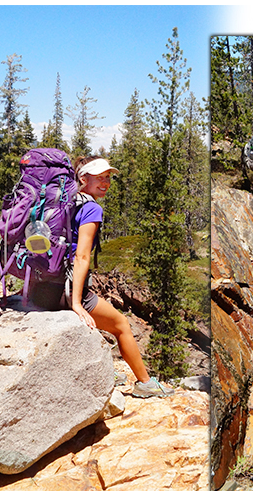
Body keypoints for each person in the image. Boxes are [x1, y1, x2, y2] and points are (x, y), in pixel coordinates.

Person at [28, 155, 174, 398]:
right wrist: (76, 303)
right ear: (83, 178)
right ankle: (145, 384)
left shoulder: (60, 202)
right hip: (63, 290)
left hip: (39, 288)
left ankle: (102, 371)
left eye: (108, 177)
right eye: (99, 178)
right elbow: (82, 257)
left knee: (93, 325)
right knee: (121, 325)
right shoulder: (90, 208)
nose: (105, 182)